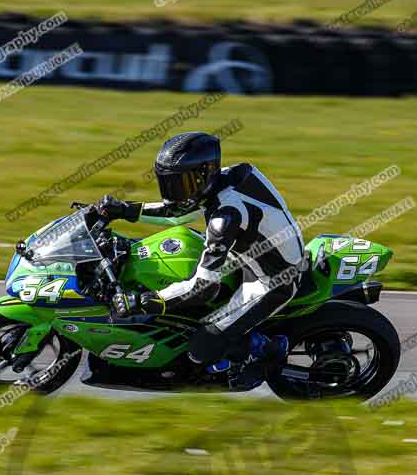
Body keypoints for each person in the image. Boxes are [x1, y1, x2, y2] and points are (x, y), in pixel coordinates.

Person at [95, 131, 306, 388]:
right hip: (249, 254)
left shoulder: (225, 218)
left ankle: (268, 349)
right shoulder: (229, 176)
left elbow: (202, 290)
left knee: (201, 345)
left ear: (204, 174)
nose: (173, 192)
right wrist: (126, 210)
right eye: (169, 183)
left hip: (271, 280)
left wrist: (147, 301)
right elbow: (178, 213)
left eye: (180, 184)